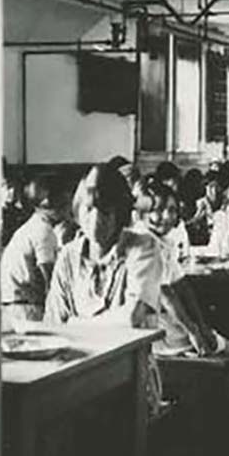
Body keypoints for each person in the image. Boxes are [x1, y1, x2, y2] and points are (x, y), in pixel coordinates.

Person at [133, 180, 229, 435]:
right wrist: (193, 331)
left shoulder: (163, 241)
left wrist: (202, 325)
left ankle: (228, 423)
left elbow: (182, 285)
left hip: (169, 324)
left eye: (172, 210)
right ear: (143, 211)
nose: (166, 216)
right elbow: (166, 294)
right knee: (225, 352)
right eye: (158, 210)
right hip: (154, 333)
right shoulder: (145, 242)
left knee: (219, 344)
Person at [44, 164, 165, 414]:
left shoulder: (143, 248)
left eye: (106, 211)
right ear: (78, 211)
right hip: (76, 369)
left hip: (129, 376)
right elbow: (54, 323)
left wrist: (76, 324)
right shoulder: (68, 256)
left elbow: (132, 317)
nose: (96, 219)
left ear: (120, 213)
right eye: (89, 209)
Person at [1, 175, 67, 323]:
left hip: (11, 306)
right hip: (27, 309)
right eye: (65, 202)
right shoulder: (44, 231)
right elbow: (51, 281)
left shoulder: (30, 227)